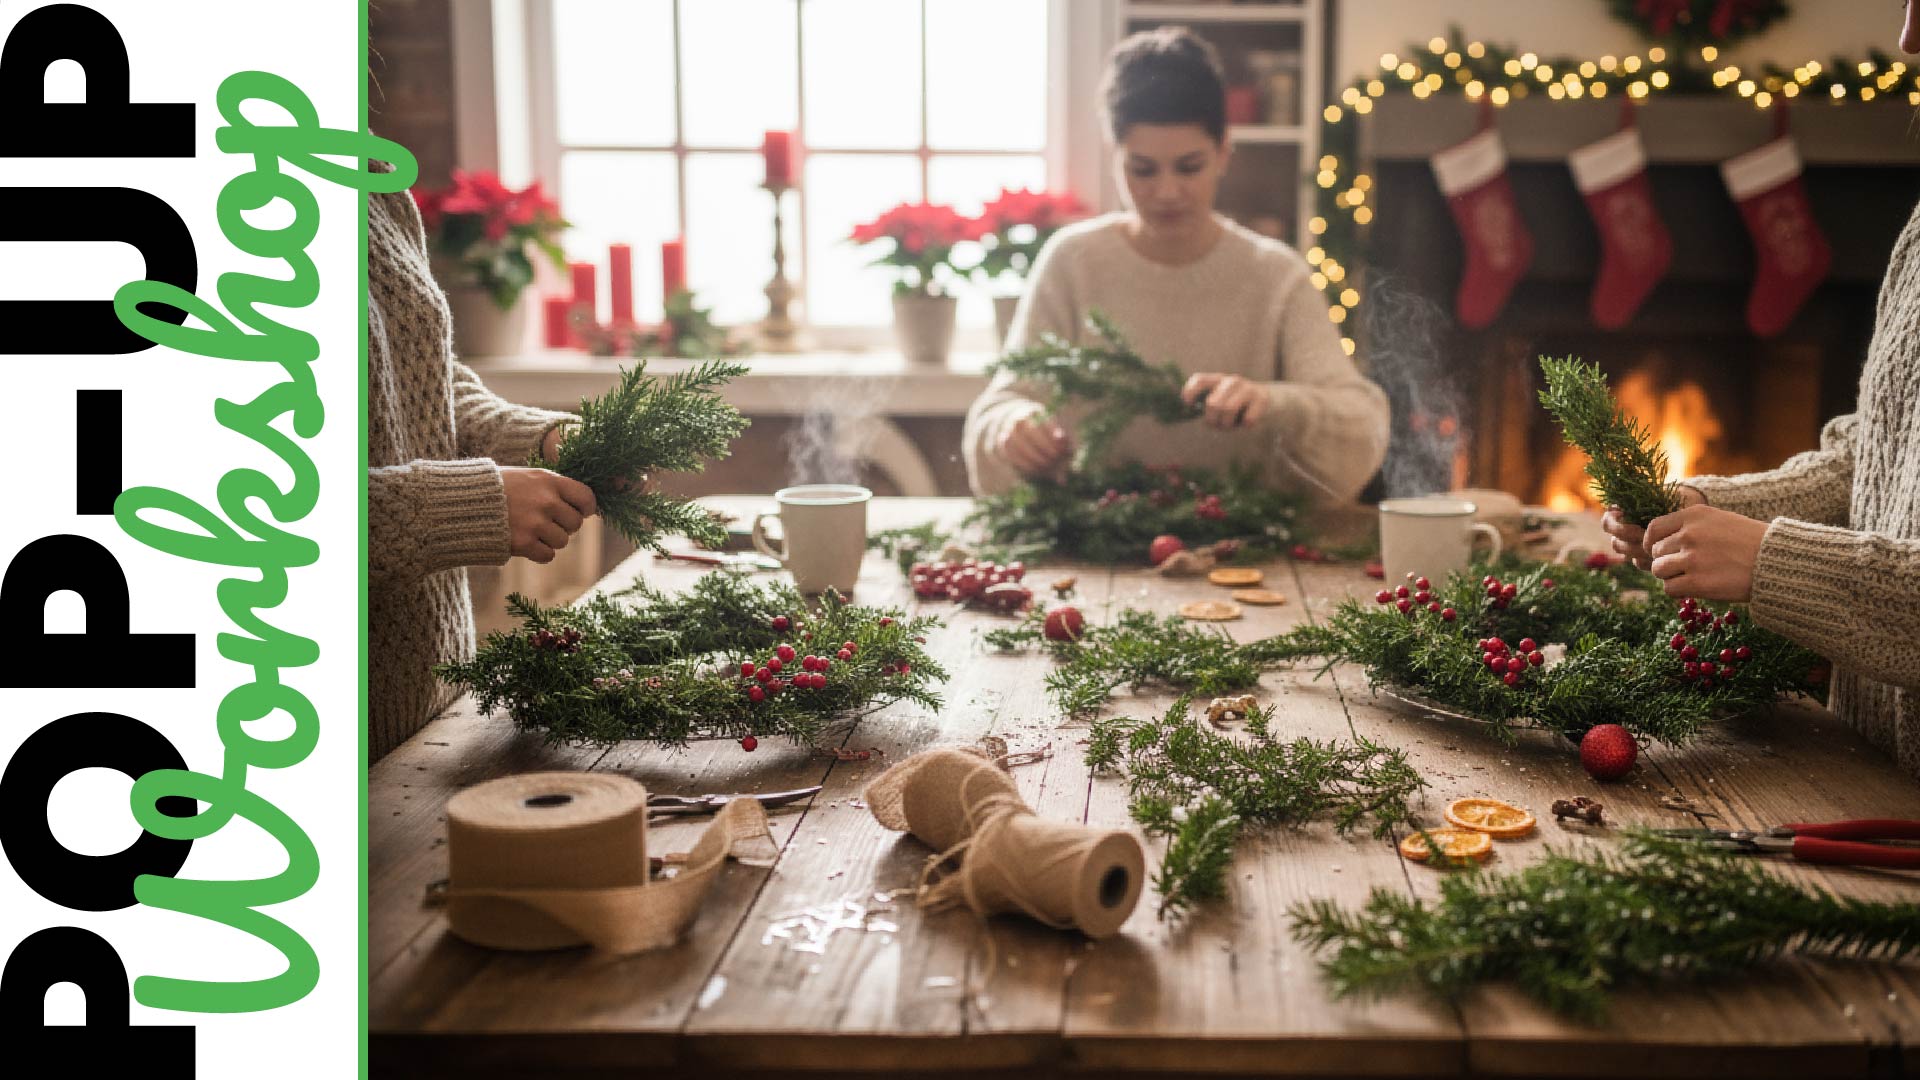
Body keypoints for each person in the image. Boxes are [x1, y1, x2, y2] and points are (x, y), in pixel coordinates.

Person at [1603, 3, 1920, 782]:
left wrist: (1771, 562)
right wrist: (1708, 511)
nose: (1909, 37)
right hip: (1863, 775)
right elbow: (1872, 462)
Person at [962, 26, 1389, 501]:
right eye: (1141, 169)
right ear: (1113, 156)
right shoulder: (1072, 263)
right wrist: (1011, 428)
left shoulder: (1277, 276)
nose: (1166, 192)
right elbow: (1002, 405)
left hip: (1247, 550)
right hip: (1094, 543)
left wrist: (1272, 402)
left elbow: (1361, 423)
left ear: (1224, 151)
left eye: (1189, 167)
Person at [368, 158, 600, 760]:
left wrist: (537, 439)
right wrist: (467, 505)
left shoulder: (370, 183)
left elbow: (420, 378)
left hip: (429, 711)